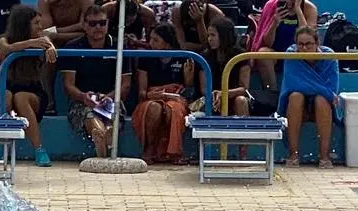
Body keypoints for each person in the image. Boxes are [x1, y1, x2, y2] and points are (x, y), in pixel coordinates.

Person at [0, 5, 57, 166]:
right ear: (24, 24)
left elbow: (48, 42)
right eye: (36, 23)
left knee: (21, 98)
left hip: (34, 92)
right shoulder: (3, 38)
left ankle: (39, 149)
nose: (40, 26)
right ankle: (1, 148)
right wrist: (30, 43)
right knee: (5, 96)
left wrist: (50, 46)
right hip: (8, 87)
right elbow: (6, 48)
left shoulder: (42, 38)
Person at [61, 4, 134, 157]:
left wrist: (109, 97)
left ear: (108, 24)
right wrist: (83, 97)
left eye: (102, 23)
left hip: (112, 99)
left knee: (111, 120)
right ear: (84, 25)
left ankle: (104, 151)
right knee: (92, 120)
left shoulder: (119, 46)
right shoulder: (73, 47)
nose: (98, 27)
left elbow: (125, 84)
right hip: (82, 101)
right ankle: (103, 152)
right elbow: (68, 85)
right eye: (93, 24)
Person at [132, 23, 194, 164]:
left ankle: (174, 152)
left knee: (174, 109)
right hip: (151, 98)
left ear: (167, 43)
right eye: (150, 39)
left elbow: (189, 93)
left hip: (176, 99)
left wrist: (189, 81)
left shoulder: (183, 57)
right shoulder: (145, 58)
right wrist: (152, 95)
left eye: (155, 40)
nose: (150, 43)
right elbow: (142, 92)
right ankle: (149, 149)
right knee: (154, 108)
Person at [278, 26, 338, 168]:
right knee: (295, 96)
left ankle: (324, 156)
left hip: (322, 104)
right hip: (298, 105)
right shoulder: (291, 54)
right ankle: (293, 155)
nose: (304, 48)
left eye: (308, 44)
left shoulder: (329, 56)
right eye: (300, 44)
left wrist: (326, 93)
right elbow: (294, 84)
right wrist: (326, 92)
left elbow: (332, 86)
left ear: (317, 44)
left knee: (322, 100)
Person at [250, 0, 319, 92]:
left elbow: (308, 40)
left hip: (300, 53)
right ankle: (271, 94)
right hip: (278, 54)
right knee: (263, 53)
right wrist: (274, 23)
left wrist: (298, 11)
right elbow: (267, 43)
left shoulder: (310, 8)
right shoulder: (271, 6)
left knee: (305, 49)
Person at [197, 16, 252, 116]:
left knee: (241, 100)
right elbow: (204, 89)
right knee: (203, 105)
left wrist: (224, 94)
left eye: (213, 35)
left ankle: (244, 131)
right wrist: (216, 96)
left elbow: (244, 89)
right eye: (208, 35)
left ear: (224, 36)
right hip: (212, 98)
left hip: (233, 97)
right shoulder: (204, 57)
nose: (209, 39)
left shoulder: (241, 56)